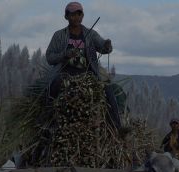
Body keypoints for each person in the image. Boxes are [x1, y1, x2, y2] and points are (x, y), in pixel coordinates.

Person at [46, 1, 122, 130]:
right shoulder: (59, 35)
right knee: (51, 91)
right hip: (65, 74)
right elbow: (49, 57)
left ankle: (117, 126)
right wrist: (65, 55)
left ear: (83, 16)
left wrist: (107, 45)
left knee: (109, 91)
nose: (76, 17)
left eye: (79, 14)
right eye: (72, 15)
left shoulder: (90, 34)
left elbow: (103, 47)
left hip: (88, 74)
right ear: (66, 17)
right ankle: (46, 123)